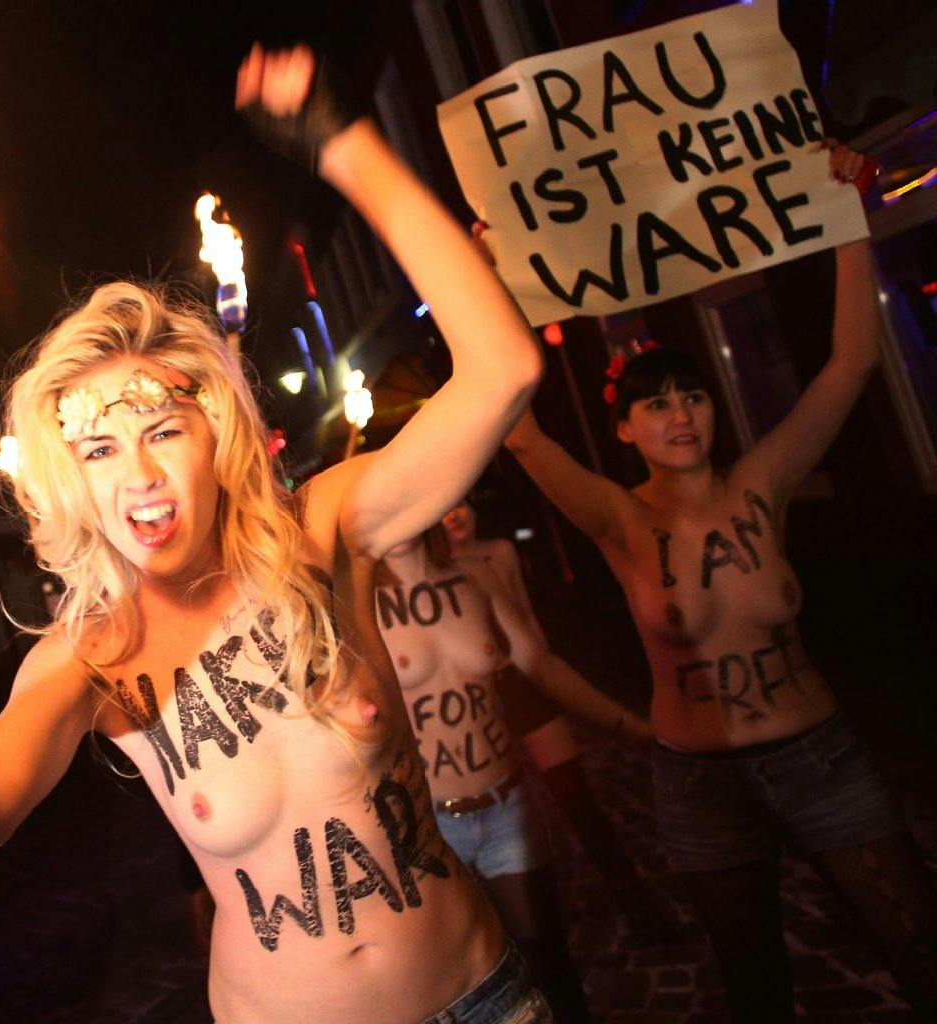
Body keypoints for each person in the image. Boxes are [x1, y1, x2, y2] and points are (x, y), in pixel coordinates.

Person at [0, 45, 552, 1024]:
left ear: (213, 439)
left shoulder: (326, 529)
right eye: (98, 450)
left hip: (482, 997)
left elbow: (504, 371)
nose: (136, 472)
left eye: (162, 431)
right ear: (73, 482)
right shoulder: (91, 653)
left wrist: (342, 145)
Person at [498, 145, 937, 1019]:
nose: (681, 415)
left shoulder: (764, 480)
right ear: (624, 429)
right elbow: (518, 431)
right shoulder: (616, 517)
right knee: (755, 989)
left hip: (821, 758)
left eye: (692, 397)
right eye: (656, 403)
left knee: (921, 951)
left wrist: (850, 216)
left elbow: (851, 361)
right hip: (700, 785)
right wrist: (493, 278)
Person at [377, 503, 648, 1022]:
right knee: (467, 981)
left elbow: (540, 665)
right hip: (431, 828)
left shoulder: (474, 580)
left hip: (507, 809)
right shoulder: (356, 606)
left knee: (548, 957)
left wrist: (632, 728)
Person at [439, 499, 673, 939]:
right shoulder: (436, 577)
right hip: (479, 697)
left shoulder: (499, 553)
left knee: (574, 793)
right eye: (444, 510)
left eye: (461, 504)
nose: (455, 515)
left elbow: (526, 620)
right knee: (503, 805)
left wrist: (548, 670)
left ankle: (632, 896)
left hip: (523, 678)